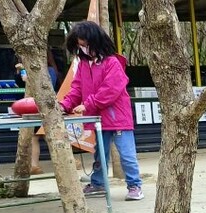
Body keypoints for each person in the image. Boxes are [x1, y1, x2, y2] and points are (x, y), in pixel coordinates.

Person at [59, 21, 144, 200]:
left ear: (95, 41)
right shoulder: (83, 65)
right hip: (98, 117)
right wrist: (64, 105)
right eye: (79, 45)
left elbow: (111, 89)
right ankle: (98, 184)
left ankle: (135, 185)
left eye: (84, 44)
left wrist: (88, 104)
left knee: (126, 154)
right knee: (100, 154)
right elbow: (76, 89)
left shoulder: (112, 62)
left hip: (117, 117)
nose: (82, 48)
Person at [15, 52, 61, 175]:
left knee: (48, 135)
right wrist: (20, 74)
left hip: (45, 108)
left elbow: (46, 88)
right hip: (32, 108)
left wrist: (29, 78)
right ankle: (34, 165)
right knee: (36, 136)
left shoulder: (49, 71)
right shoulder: (27, 70)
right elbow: (21, 86)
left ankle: (63, 160)